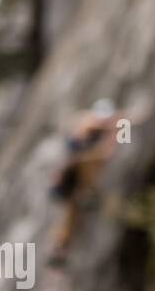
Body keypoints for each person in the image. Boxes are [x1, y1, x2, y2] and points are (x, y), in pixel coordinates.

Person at [48, 98, 124, 264]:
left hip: (74, 179)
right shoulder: (86, 125)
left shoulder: (93, 132)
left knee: (71, 212)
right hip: (71, 176)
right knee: (71, 209)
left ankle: (60, 247)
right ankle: (60, 246)